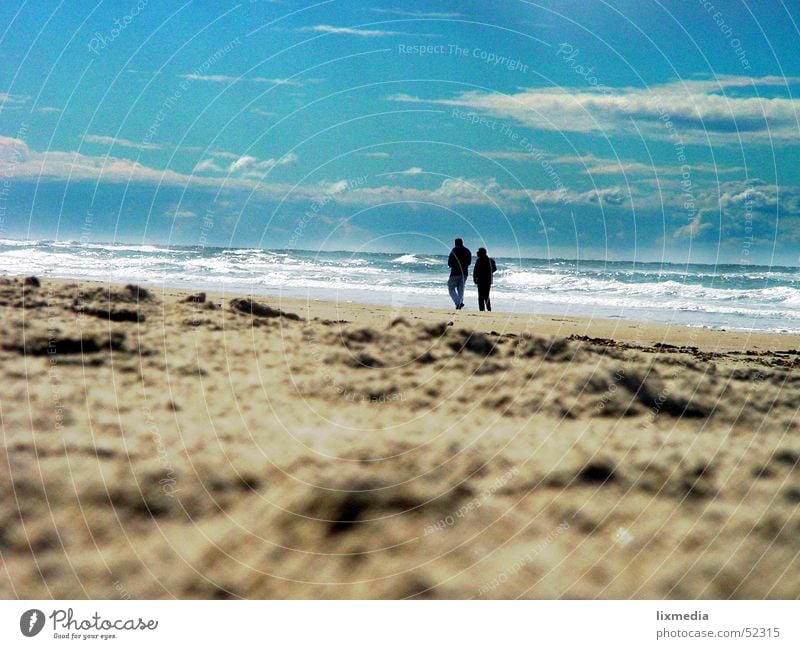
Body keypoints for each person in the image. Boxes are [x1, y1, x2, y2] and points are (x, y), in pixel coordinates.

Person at [447, 238, 472, 309]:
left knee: (451, 287)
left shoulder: (454, 250)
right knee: (461, 289)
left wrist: (452, 265)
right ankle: (459, 304)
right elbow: (469, 263)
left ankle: (458, 303)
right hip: (464, 272)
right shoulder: (467, 251)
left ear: (455, 243)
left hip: (455, 272)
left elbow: (450, 262)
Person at [472, 247, 497, 311]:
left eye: (478, 252)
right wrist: (489, 272)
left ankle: (482, 309)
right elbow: (495, 269)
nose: (477, 253)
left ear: (481, 253)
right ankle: (489, 309)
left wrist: (474, 278)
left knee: (481, 296)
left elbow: (475, 270)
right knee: (486, 295)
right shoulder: (490, 260)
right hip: (488, 280)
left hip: (481, 280)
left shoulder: (479, 260)